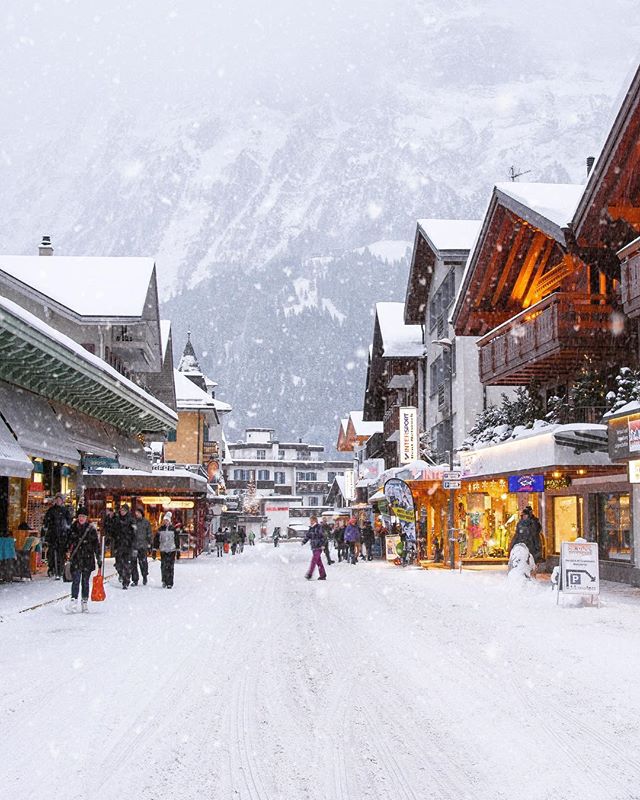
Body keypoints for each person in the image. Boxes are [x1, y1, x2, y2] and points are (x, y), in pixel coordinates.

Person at [65, 506, 101, 613]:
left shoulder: (91, 529)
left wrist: (98, 558)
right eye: (80, 516)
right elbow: (68, 542)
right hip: (76, 558)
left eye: (83, 516)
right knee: (75, 580)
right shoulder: (73, 528)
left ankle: (84, 602)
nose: (81, 518)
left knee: (85, 582)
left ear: (86, 518)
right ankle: (74, 601)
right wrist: (66, 551)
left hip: (87, 558)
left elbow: (96, 545)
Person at [42, 493, 71, 579]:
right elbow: (46, 521)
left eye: (60, 500)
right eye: (57, 500)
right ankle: (52, 568)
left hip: (62, 535)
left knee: (61, 553)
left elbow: (69, 522)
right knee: (51, 553)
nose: (58, 501)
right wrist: (46, 528)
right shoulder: (51, 510)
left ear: (62, 501)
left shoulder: (65, 510)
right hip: (53, 535)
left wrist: (67, 530)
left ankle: (60, 569)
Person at [154, 512, 180, 588]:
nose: (166, 522)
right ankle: (164, 580)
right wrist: (154, 549)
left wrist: (178, 550)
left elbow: (177, 540)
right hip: (163, 550)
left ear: (169, 521)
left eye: (167, 520)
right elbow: (156, 540)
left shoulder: (173, 530)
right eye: (164, 521)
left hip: (172, 550)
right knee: (163, 566)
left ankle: (170, 582)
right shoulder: (160, 530)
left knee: (170, 567)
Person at [114, 503, 136, 589]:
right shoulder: (117, 519)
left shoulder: (131, 520)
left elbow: (134, 533)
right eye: (121, 510)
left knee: (126, 563)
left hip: (127, 544)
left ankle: (126, 581)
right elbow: (113, 530)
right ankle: (121, 574)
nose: (122, 512)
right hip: (119, 544)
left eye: (124, 510)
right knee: (118, 563)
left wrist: (132, 542)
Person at [131, 507, 152, 586]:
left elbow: (149, 533)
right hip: (134, 545)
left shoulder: (146, 522)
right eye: (136, 513)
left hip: (143, 545)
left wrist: (150, 544)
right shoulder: (133, 522)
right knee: (133, 563)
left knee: (143, 562)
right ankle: (135, 579)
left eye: (138, 513)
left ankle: (144, 575)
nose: (137, 514)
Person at [302, 514, 326, 580]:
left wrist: (323, 544)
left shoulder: (319, 527)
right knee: (318, 562)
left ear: (315, 520)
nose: (311, 522)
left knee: (314, 560)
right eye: (310, 521)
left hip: (319, 547)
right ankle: (323, 575)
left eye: (312, 520)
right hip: (313, 547)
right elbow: (307, 536)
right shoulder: (311, 528)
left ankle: (309, 574)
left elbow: (323, 537)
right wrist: (304, 541)